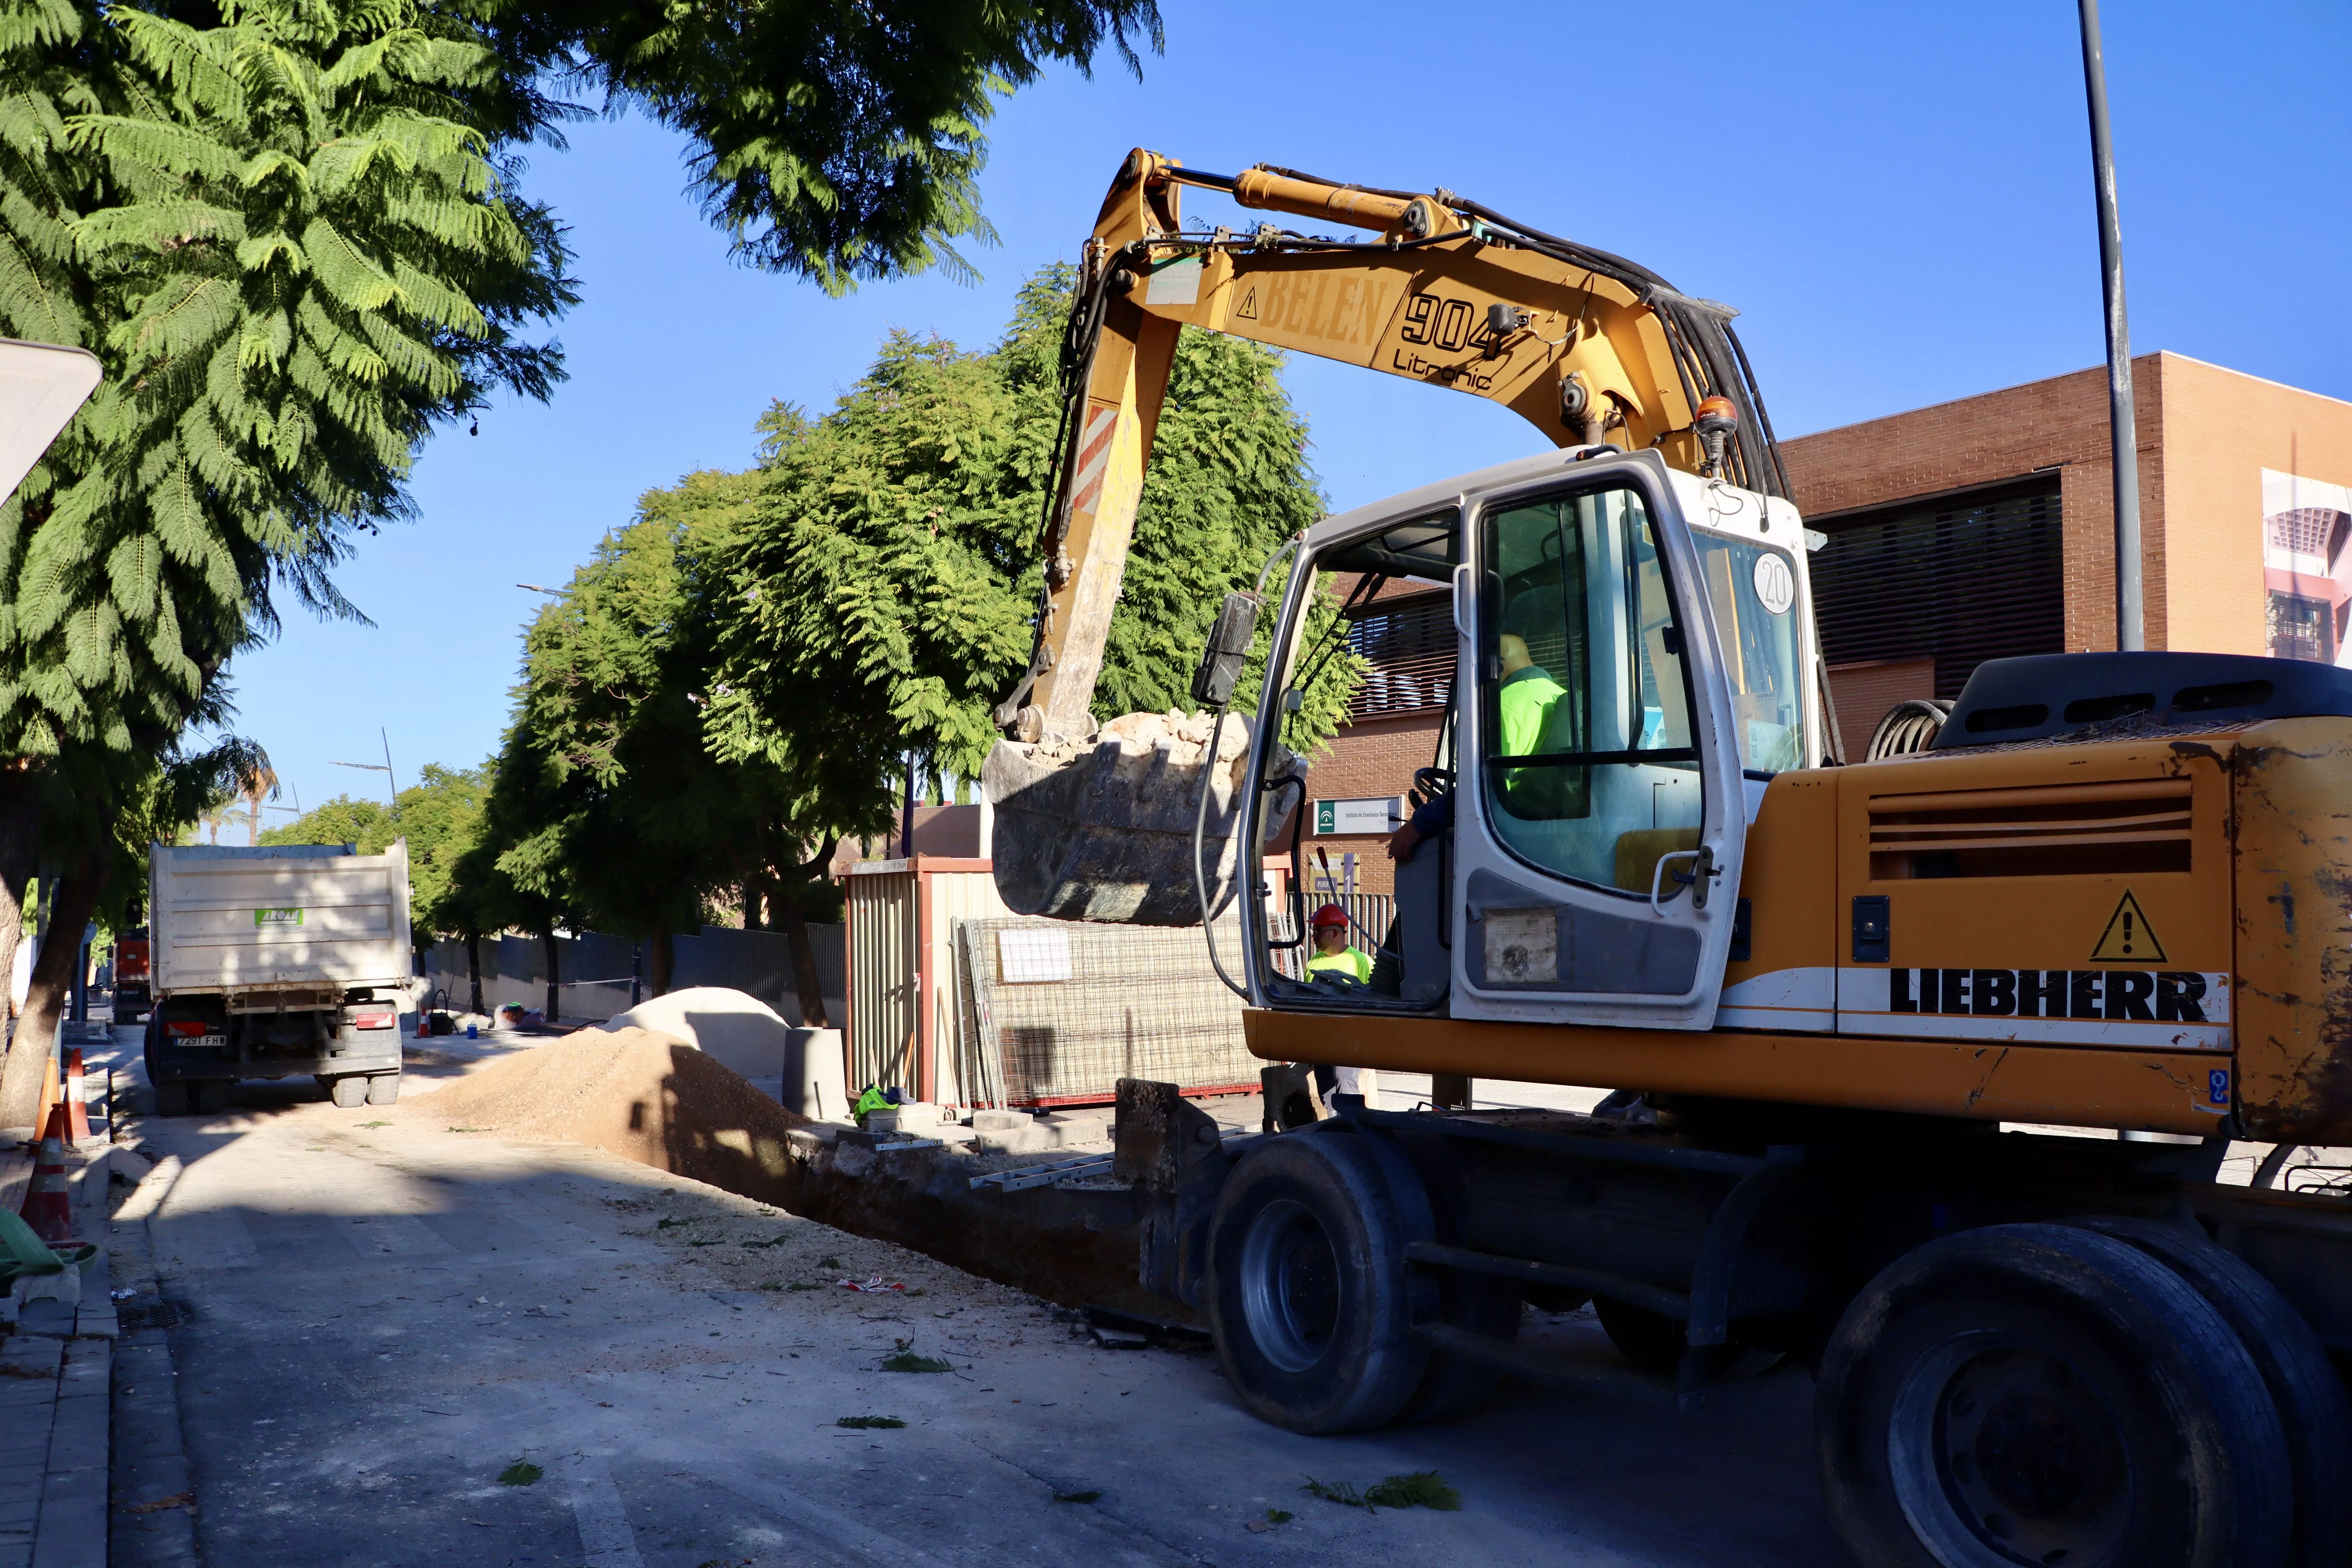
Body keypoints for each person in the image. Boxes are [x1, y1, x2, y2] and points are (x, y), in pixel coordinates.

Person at [1303, 904, 1372, 985]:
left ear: (1335, 933)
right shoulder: (1313, 962)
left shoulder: (1363, 963)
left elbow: (1377, 997)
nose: (1314, 935)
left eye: (1318, 931)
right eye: (1314, 930)